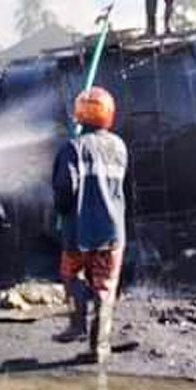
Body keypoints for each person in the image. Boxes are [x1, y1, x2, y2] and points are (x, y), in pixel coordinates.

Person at [51, 87, 128, 364]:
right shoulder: (120, 147)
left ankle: (76, 324)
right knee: (104, 288)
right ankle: (99, 347)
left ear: (78, 115)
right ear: (109, 114)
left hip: (78, 232)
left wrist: (60, 212)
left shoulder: (73, 148)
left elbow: (63, 189)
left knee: (71, 277)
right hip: (111, 232)